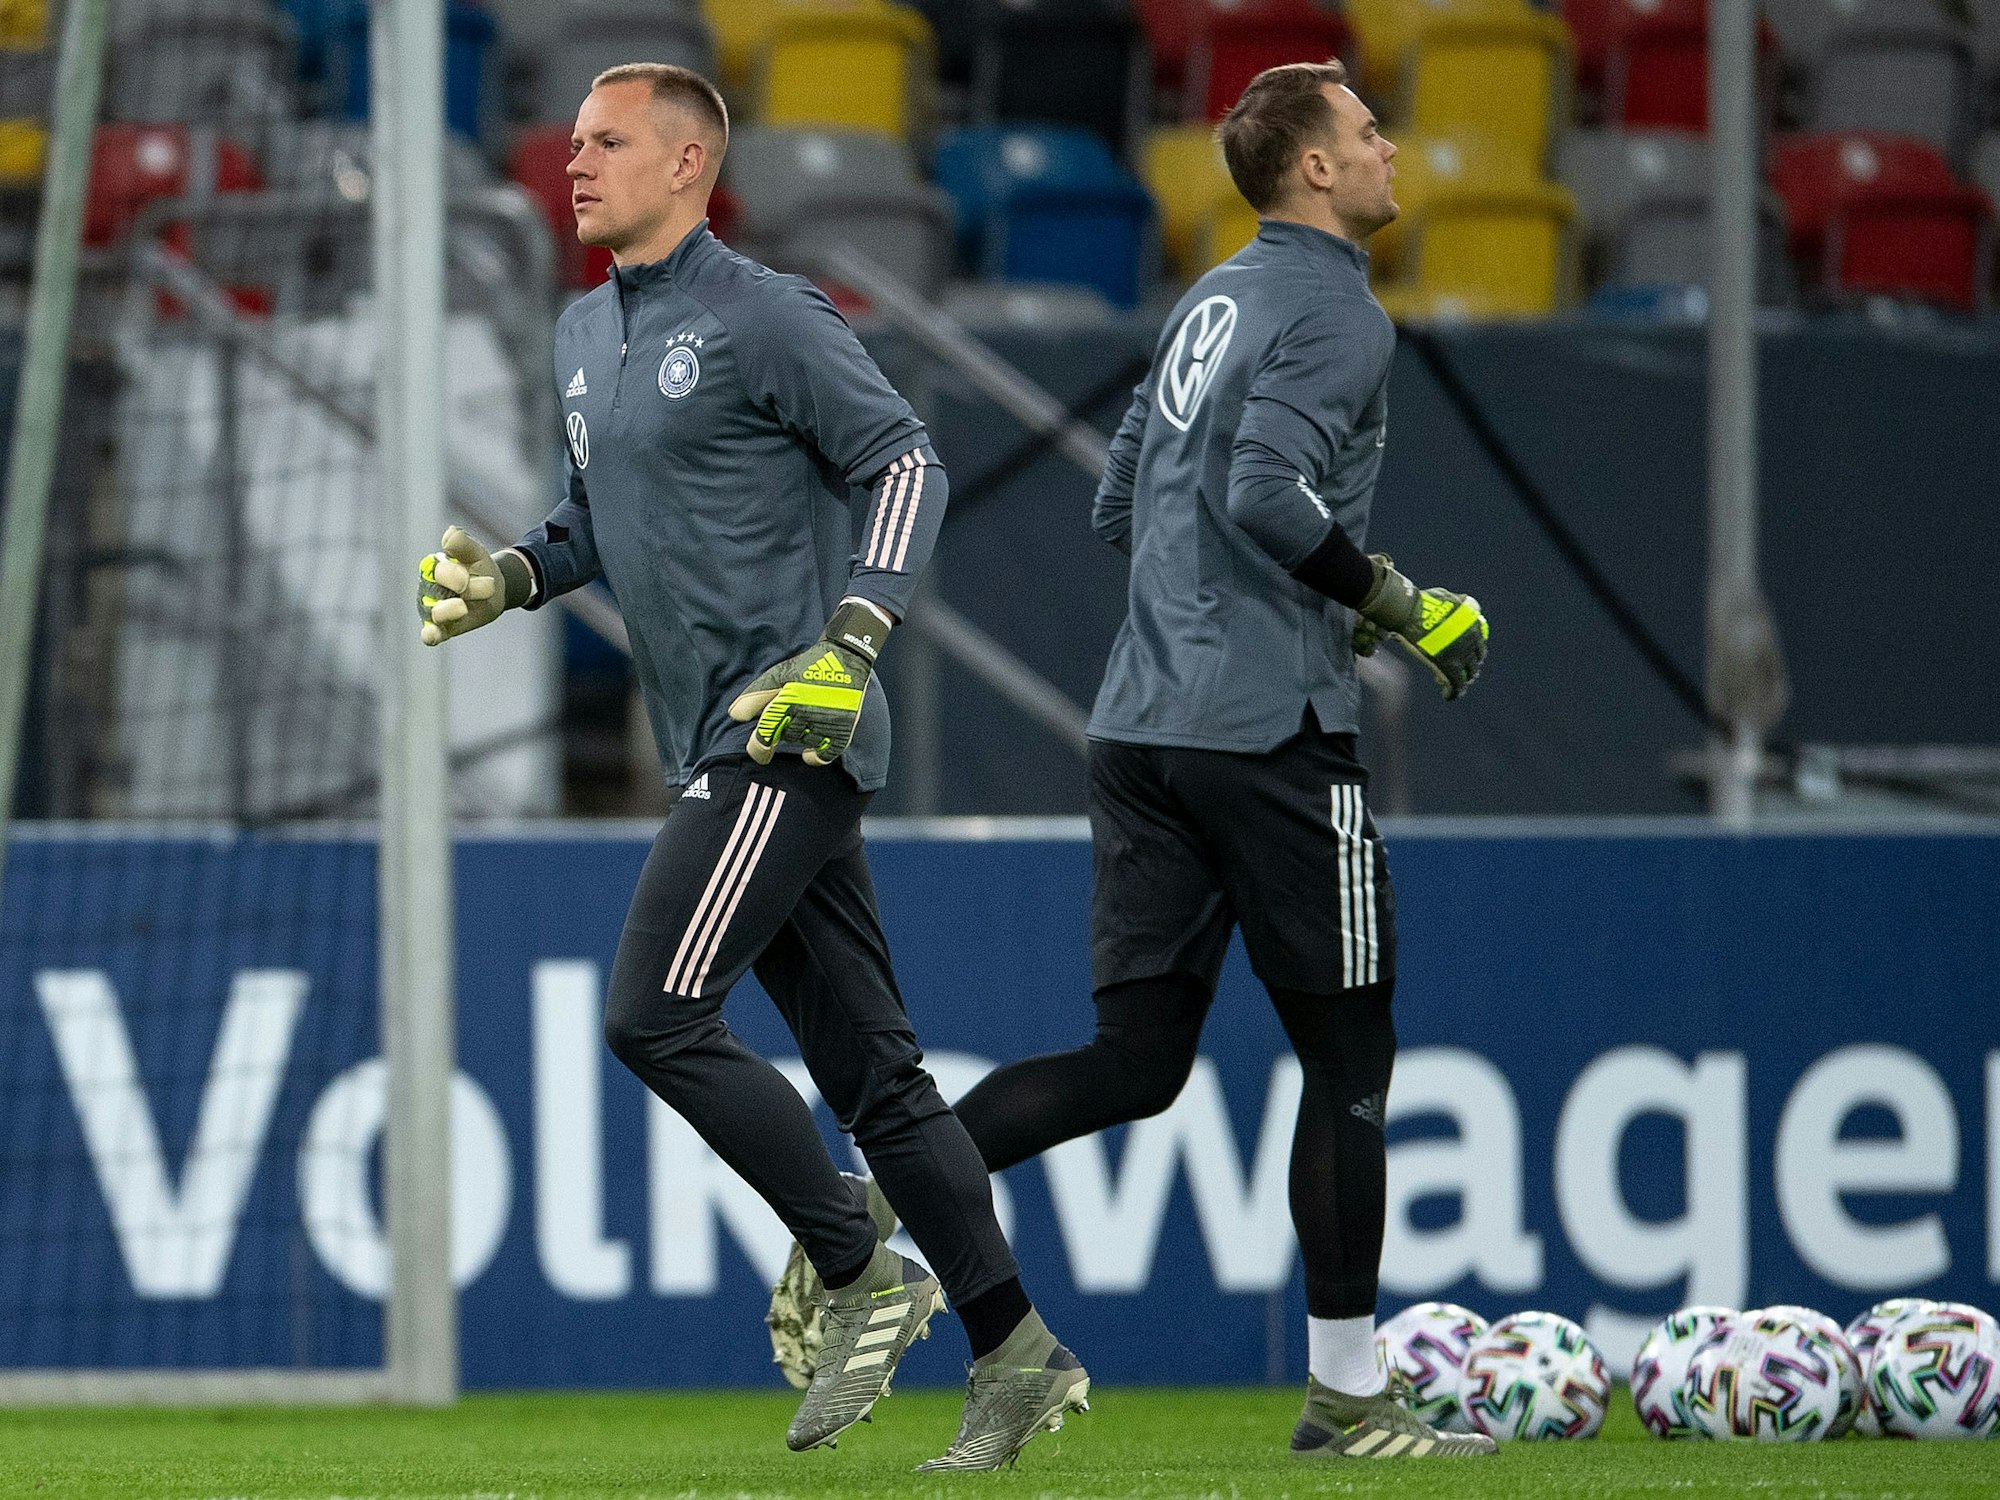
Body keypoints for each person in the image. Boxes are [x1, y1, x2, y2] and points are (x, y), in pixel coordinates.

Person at [766, 60, 1494, 1460]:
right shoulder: (1339, 314)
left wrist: (1213, 606)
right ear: (1316, 171)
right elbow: (1258, 489)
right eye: (1365, 131)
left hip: (1139, 727)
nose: (1392, 146)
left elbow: (1125, 500)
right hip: (1271, 740)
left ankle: (868, 1205)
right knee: (1347, 1061)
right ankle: (1349, 1399)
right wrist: (1390, 607)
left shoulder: (1208, 300)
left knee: (1135, 1060)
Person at [415, 62, 1087, 1471]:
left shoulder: (766, 314)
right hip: (708, 738)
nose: (575, 164)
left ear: (686, 166)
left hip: (785, 731)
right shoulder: (581, 331)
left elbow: (904, 461)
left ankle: (859, 1269)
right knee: (882, 1085)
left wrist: (851, 638)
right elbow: (597, 515)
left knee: (653, 1013)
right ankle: (1018, 1353)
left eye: (608, 144)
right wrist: (513, 580)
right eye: (575, 142)